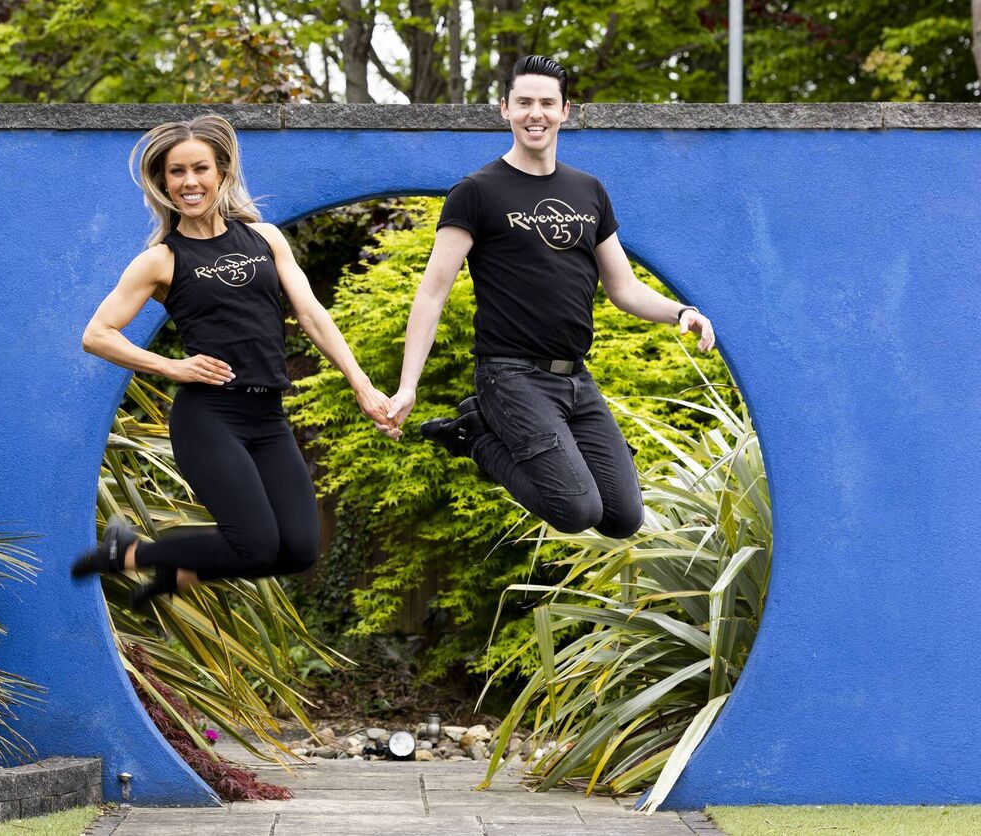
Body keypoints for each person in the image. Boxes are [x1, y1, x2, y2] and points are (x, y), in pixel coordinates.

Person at [384, 55, 716, 538]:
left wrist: (681, 311)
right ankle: (475, 433)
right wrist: (408, 384)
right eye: (523, 103)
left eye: (546, 103)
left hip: (575, 378)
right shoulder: (476, 192)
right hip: (509, 374)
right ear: (504, 109)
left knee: (623, 518)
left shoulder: (589, 191)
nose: (534, 113)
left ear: (565, 111)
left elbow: (622, 289)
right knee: (577, 510)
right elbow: (433, 293)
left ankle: (491, 431)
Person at [72, 115, 394, 605]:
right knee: (256, 544)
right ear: (164, 183)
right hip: (209, 417)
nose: (189, 182)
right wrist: (172, 367)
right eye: (176, 172)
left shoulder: (266, 239)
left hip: (267, 416)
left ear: (221, 172)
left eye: (199, 168)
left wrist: (362, 385)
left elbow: (311, 314)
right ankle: (130, 552)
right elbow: (96, 335)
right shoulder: (161, 259)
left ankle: (179, 571)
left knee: (300, 549)